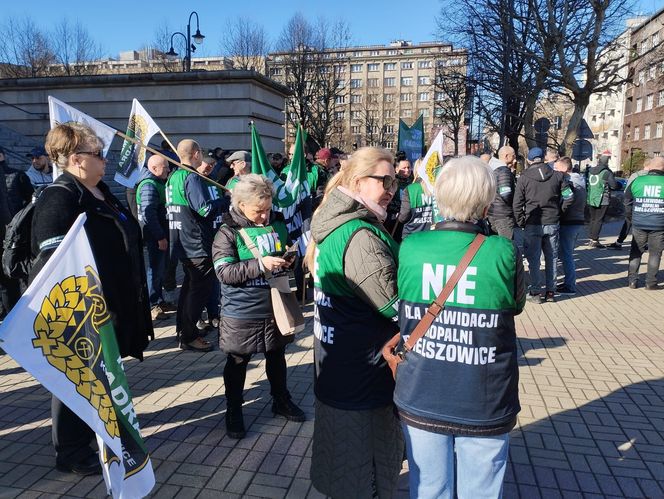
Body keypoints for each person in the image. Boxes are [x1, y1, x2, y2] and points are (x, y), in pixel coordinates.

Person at [394, 155, 525, 499]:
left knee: (429, 488)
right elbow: (518, 305)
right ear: (486, 201)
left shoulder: (410, 247)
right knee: (481, 490)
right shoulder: (503, 252)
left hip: (422, 387)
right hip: (484, 394)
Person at [30, 122, 153, 475]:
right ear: (75, 159)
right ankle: (70, 451)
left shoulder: (101, 191)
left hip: (112, 305)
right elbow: (50, 262)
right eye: (98, 154)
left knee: (101, 376)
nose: (105, 161)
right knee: (78, 378)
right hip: (83, 312)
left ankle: (97, 430)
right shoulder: (60, 196)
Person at [306, 147, 404, 498]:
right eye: (384, 180)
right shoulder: (360, 236)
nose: (392, 187)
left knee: (345, 465)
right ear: (358, 181)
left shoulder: (335, 223)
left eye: (394, 179)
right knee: (366, 472)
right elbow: (394, 306)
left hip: (338, 368)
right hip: (364, 374)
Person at [212, 174, 305, 439]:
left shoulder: (275, 224)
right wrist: (261, 264)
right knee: (238, 359)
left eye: (267, 209)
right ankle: (233, 409)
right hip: (241, 309)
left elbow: (285, 255)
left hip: (275, 305)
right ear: (241, 205)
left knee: (276, 354)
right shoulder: (227, 232)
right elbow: (225, 273)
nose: (265, 216)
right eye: (258, 211)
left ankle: (281, 400)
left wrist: (289, 261)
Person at [166, 139, 227, 352]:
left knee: (189, 290)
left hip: (181, 242)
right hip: (195, 244)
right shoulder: (191, 177)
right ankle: (189, 336)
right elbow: (204, 210)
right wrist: (224, 201)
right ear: (196, 154)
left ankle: (182, 330)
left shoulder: (173, 176)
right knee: (198, 292)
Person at [513, 147, 574, 303]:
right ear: (544, 158)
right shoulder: (557, 176)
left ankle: (535, 292)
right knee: (552, 258)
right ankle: (551, 292)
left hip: (532, 223)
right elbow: (569, 197)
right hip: (552, 222)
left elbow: (517, 203)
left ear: (529, 160)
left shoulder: (524, 177)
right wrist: (559, 212)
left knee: (533, 260)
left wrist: (521, 221)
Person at [136, 154, 172, 320]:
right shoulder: (149, 186)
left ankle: (159, 299)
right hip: (155, 236)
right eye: (165, 167)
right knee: (154, 269)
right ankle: (153, 305)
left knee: (159, 268)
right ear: (154, 168)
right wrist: (160, 237)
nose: (168, 169)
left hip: (160, 234)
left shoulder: (157, 183)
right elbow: (149, 213)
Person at [0, 146, 33, 317]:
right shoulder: (17, 175)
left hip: (12, 233)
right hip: (12, 234)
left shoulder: (17, 176)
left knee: (9, 281)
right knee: (11, 281)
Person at [624, 156, 664, 290]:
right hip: (659, 224)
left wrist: (631, 217)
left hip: (639, 222)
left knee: (635, 251)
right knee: (655, 253)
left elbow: (627, 202)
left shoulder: (637, 180)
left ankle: (632, 281)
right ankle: (651, 283)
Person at [554, 156, 587, 295]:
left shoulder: (570, 183)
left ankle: (570, 286)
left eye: (557, 168)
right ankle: (568, 283)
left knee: (566, 255)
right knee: (566, 254)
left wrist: (559, 212)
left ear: (565, 168)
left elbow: (567, 201)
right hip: (576, 221)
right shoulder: (579, 181)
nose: (554, 170)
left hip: (569, 221)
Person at [608, 158, 653, 250]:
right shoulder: (653, 177)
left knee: (628, 223)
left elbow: (627, 191)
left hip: (632, 204)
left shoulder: (635, 175)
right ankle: (643, 244)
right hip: (647, 206)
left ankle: (619, 242)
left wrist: (627, 206)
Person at [586, 150, 619, 248]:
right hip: (602, 199)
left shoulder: (590, 171)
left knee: (592, 219)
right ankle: (595, 240)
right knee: (599, 220)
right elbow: (613, 186)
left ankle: (591, 239)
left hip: (591, 197)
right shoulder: (606, 172)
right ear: (606, 162)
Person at [398, 158, 438, 238]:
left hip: (412, 235)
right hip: (433, 234)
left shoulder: (410, 189)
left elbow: (403, 217)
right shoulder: (437, 188)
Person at [487, 145, 517, 239]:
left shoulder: (492, 169)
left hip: (492, 212)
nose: (515, 159)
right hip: (503, 216)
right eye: (513, 156)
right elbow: (506, 194)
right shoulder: (504, 171)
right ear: (507, 156)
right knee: (507, 246)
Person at [385, 151, 413, 238]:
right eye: (404, 168)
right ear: (397, 169)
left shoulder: (413, 182)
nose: (407, 170)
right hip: (393, 220)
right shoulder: (393, 183)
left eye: (408, 167)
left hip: (408, 219)